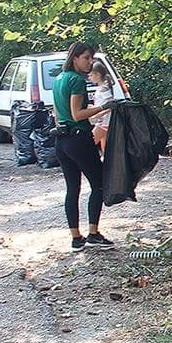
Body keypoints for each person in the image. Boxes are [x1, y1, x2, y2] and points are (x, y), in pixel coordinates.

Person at [52, 42, 114, 251]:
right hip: (79, 138)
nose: (90, 62)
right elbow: (77, 114)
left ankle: (75, 237)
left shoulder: (59, 79)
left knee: (73, 188)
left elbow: (58, 111)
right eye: (86, 58)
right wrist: (104, 107)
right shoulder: (76, 80)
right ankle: (93, 233)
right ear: (75, 57)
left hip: (62, 140)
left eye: (91, 58)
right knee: (98, 184)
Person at [89, 59, 115, 151]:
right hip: (102, 122)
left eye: (91, 75)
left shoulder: (104, 88)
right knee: (105, 148)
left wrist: (98, 114)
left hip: (105, 122)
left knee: (89, 144)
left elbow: (111, 105)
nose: (89, 78)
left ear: (98, 75)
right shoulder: (101, 87)